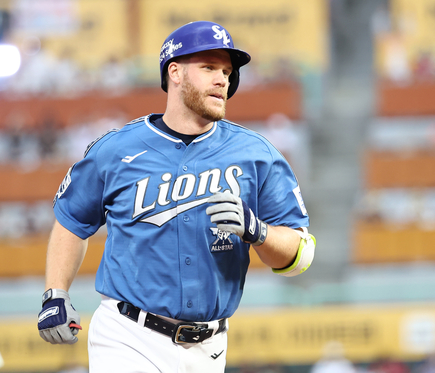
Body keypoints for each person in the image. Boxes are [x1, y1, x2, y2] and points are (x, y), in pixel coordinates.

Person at [37, 21, 316, 373]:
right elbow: (73, 221)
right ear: (175, 72)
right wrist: (55, 294)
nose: (222, 80)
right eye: (209, 68)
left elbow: (301, 255)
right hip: (127, 335)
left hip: (210, 346)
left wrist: (258, 231)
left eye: (227, 71)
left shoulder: (257, 155)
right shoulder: (116, 149)